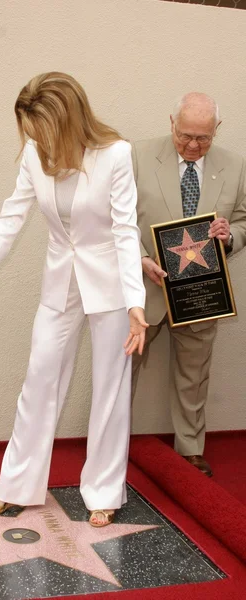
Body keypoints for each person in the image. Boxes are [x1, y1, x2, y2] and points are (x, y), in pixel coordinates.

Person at [0, 72, 148, 527]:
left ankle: (104, 491)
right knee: (39, 378)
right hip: (59, 283)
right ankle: (16, 486)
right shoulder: (33, 152)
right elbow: (11, 217)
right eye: (31, 133)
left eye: (43, 132)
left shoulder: (116, 154)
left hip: (110, 286)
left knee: (110, 387)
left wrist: (135, 303)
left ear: (69, 121)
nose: (38, 142)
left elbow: (125, 230)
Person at [131, 92, 246, 477]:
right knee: (120, 371)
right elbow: (116, 219)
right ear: (171, 123)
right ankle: (109, 445)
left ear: (217, 130)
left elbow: (245, 220)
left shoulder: (234, 165)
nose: (194, 145)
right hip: (143, 286)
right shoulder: (137, 156)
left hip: (201, 291)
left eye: (204, 138)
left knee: (194, 374)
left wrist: (229, 236)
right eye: (185, 136)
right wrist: (138, 257)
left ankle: (190, 451)